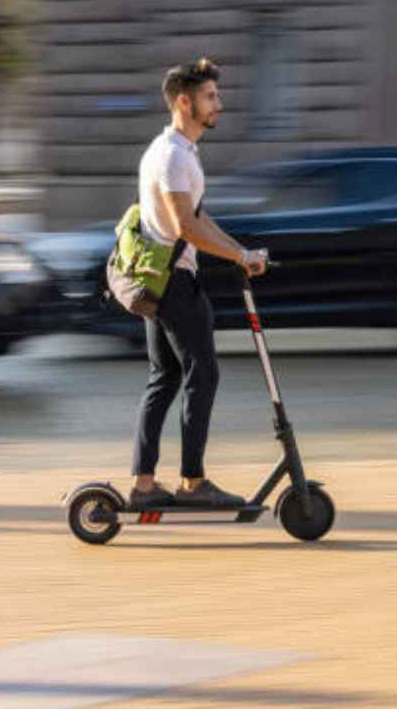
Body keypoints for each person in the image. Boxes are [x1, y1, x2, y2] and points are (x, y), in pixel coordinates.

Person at [130, 58, 268, 509]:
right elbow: (184, 226)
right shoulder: (171, 155)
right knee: (201, 374)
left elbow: (200, 216)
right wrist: (237, 256)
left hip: (162, 277)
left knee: (165, 377)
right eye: (210, 97)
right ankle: (193, 483)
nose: (219, 105)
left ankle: (145, 486)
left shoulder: (179, 151)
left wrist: (240, 251)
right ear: (185, 101)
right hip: (174, 282)